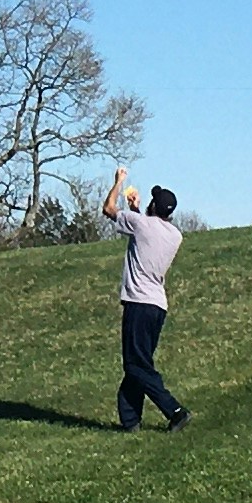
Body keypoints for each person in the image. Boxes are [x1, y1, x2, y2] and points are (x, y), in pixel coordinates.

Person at [102, 172, 189, 431]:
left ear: (153, 207)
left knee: (135, 364)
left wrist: (118, 181)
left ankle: (175, 410)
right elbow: (145, 232)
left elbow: (108, 209)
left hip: (137, 303)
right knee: (139, 363)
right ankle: (130, 421)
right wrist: (136, 209)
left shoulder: (140, 224)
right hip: (157, 306)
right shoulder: (174, 235)